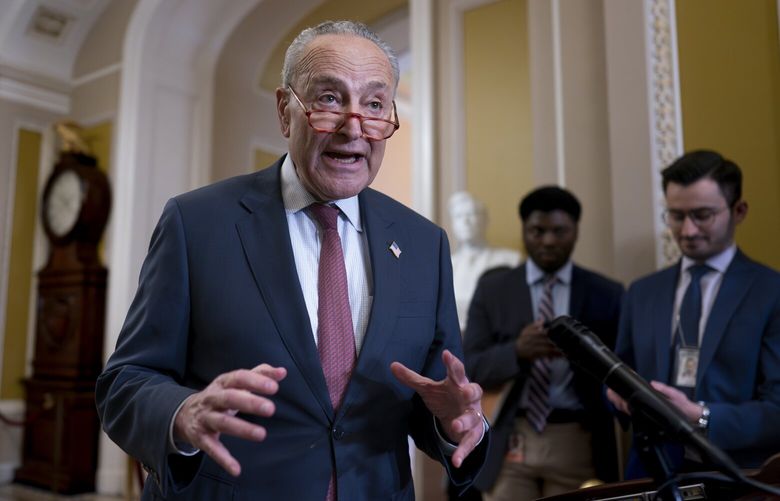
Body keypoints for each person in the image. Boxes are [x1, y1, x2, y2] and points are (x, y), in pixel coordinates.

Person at [96, 20, 489, 500]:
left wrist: (454, 422)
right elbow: (126, 382)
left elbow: (429, 398)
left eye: (374, 104)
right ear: (285, 111)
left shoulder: (425, 243)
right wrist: (184, 413)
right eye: (328, 99)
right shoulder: (196, 223)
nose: (354, 127)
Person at [608, 150, 780, 476]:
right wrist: (614, 394)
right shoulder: (641, 292)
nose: (687, 231)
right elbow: (620, 372)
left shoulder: (771, 292)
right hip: (651, 476)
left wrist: (701, 416)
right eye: (675, 215)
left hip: (738, 478)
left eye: (702, 215)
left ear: (739, 211)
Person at [463, 186, 623, 501]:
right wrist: (516, 351)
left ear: (576, 231)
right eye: (537, 231)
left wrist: (583, 353)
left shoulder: (608, 294)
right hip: (510, 437)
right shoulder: (493, 289)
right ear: (524, 230)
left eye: (559, 231)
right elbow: (469, 365)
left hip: (578, 437)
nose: (548, 240)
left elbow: (621, 370)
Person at [449, 191, 521, 332]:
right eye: (458, 216)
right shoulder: (447, 264)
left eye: (471, 214)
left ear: (485, 219)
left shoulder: (509, 260)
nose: (465, 222)